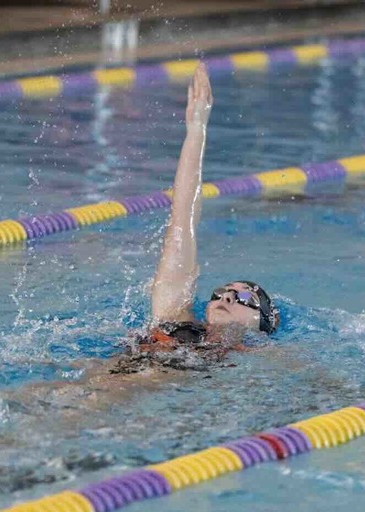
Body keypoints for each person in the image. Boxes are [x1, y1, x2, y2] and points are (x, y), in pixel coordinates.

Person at [119, 61, 280, 369]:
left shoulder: (262, 359)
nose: (227, 299)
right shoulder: (174, 316)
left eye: (247, 299)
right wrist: (196, 130)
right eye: (222, 292)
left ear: (265, 323)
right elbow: (181, 225)